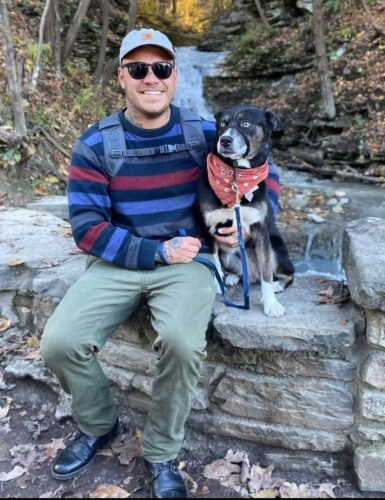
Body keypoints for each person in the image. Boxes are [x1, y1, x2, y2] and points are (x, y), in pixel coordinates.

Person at [40, 28, 282, 498]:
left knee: (182, 343)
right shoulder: (95, 144)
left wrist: (244, 218)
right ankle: (99, 424)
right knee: (60, 343)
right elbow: (86, 229)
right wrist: (154, 252)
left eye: (162, 68)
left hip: (189, 262)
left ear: (174, 76)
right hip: (119, 260)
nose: (151, 77)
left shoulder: (203, 134)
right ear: (122, 78)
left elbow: (260, 168)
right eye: (138, 69)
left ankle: (160, 452)